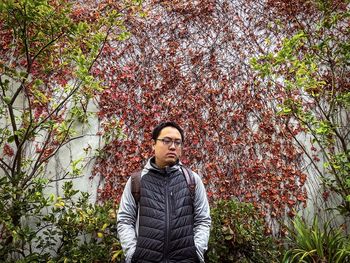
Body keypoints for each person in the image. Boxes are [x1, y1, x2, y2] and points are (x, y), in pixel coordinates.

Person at [117, 121, 211, 263]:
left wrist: (196, 251)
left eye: (178, 142)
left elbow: (203, 219)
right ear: (153, 144)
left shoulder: (191, 180)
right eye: (166, 141)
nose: (173, 146)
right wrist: (132, 254)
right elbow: (125, 219)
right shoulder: (137, 180)